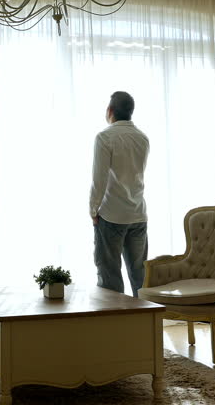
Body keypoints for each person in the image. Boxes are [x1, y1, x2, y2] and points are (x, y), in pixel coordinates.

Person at [89, 91, 150, 297]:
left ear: (110, 111)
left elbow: (99, 179)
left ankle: (114, 319)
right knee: (140, 277)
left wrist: (93, 210)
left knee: (110, 278)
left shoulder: (104, 137)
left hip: (111, 215)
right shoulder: (143, 138)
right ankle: (144, 318)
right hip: (138, 214)